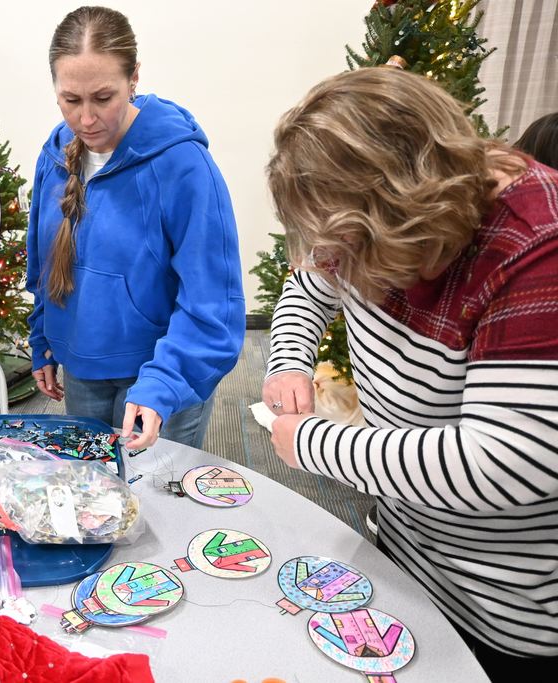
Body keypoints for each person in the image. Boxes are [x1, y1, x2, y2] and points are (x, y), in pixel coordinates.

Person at [262, 67, 558, 679]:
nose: (339, 266)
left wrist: (317, 443)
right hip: (403, 552)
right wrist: (290, 358)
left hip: (507, 610)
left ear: (405, 218)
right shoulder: (359, 220)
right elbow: (310, 284)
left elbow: (503, 462)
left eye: (351, 249)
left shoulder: (537, 248)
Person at [27, 6, 245, 451]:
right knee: (94, 496)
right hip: (82, 367)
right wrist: (43, 338)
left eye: (103, 98)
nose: (87, 119)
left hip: (161, 373)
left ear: (134, 79)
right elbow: (45, 265)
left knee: (156, 500)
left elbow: (213, 304)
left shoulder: (182, 165)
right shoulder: (53, 159)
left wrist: (165, 383)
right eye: (71, 100)